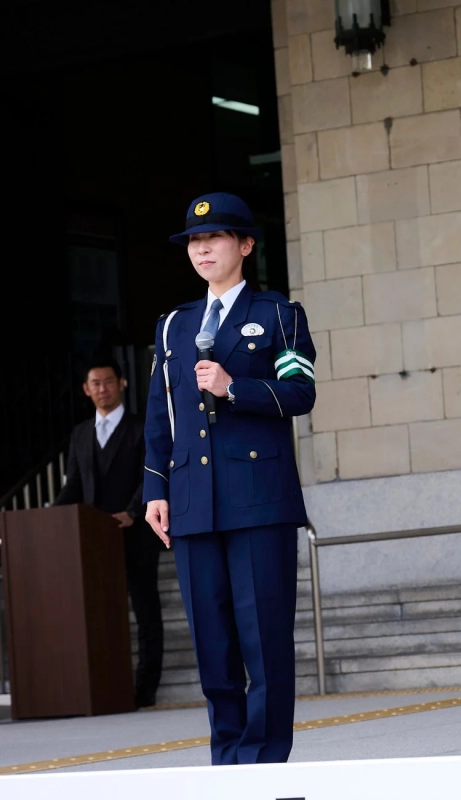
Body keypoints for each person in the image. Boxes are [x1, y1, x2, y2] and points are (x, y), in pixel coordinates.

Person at [143, 192, 316, 764]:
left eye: (213, 238)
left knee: (263, 640)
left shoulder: (279, 315)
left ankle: (261, 763)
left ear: (245, 245)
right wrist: (155, 491)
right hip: (193, 501)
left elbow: (299, 393)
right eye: (194, 241)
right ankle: (225, 764)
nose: (202, 249)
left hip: (259, 501)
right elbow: (159, 416)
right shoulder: (174, 326)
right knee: (213, 645)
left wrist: (232, 386)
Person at [55, 358, 164, 709]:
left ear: (122, 383)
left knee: (145, 610)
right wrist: (52, 518)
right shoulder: (81, 433)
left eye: (108, 382)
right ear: (86, 390)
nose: (103, 389)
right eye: (95, 384)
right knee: (97, 612)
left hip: (135, 536)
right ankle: (106, 684)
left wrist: (133, 512)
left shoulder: (141, 427)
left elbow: (151, 474)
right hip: (92, 541)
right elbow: (74, 484)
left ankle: (145, 688)